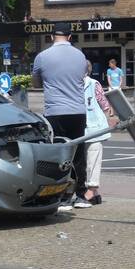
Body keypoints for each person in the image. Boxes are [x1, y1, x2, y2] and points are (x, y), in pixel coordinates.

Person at [32, 22, 89, 208]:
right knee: (78, 153)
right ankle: (81, 195)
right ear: (70, 37)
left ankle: (62, 197)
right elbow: (81, 78)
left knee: (58, 155)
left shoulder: (42, 57)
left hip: (55, 111)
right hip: (78, 111)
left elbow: (36, 83)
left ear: (51, 37)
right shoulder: (80, 56)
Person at [78, 61, 115, 208]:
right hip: (80, 127)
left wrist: (108, 118)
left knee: (93, 158)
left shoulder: (93, 84)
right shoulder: (72, 84)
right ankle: (95, 194)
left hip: (94, 128)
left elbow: (104, 104)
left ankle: (91, 189)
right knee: (82, 161)